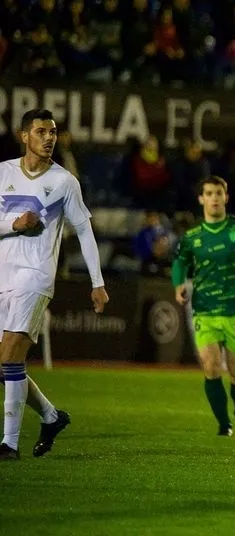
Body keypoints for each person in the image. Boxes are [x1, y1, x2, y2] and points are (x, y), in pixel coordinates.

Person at [0, 108, 109, 461]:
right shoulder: (3, 173)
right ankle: (50, 416)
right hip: (3, 274)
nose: (49, 137)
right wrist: (14, 224)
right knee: (4, 365)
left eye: (54, 132)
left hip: (35, 277)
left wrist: (97, 282)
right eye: (41, 131)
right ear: (25, 136)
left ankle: (9, 444)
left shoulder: (64, 182)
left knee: (10, 356)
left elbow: (85, 231)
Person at [172, 176, 235, 436]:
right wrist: (179, 284)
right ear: (201, 199)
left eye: (218, 193)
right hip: (204, 310)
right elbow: (180, 262)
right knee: (211, 367)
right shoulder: (193, 237)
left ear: (226, 197)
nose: (214, 197)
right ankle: (224, 423)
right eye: (209, 193)